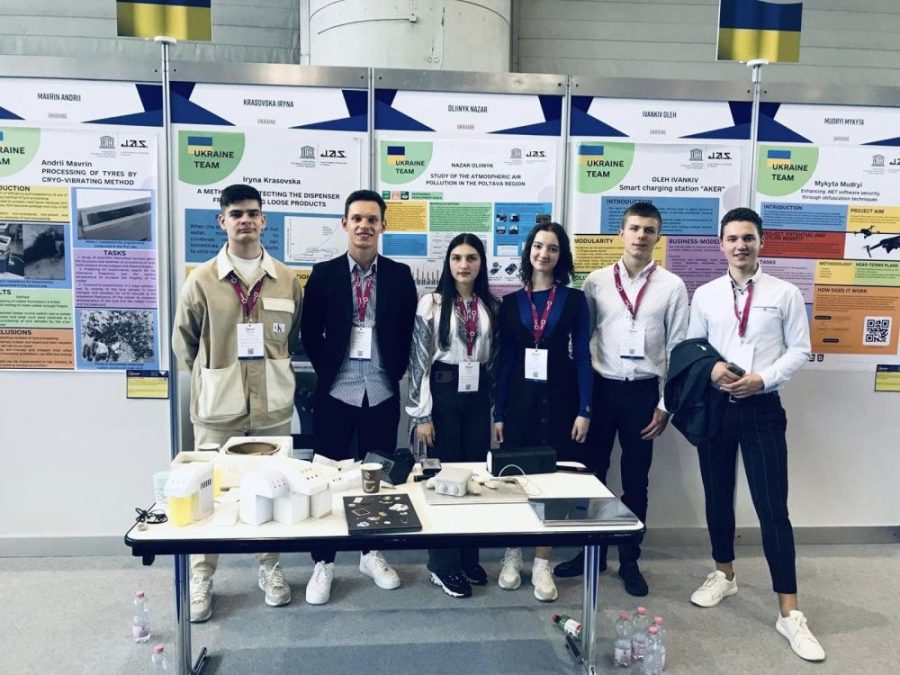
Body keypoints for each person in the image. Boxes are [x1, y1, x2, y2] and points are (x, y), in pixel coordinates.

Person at [685, 207, 825, 662]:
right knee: (716, 496)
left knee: (772, 508)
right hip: (716, 409)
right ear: (721, 244)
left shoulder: (785, 293)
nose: (740, 245)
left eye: (748, 237)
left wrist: (762, 379)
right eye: (732, 238)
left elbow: (800, 349)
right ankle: (724, 574)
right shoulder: (705, 294)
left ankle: (790, 611)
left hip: (762, 409)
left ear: (761, 242)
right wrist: (713, 369)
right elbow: (693, 349)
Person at [172, 183, 302, 622]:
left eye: (252, 213)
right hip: (218, 409)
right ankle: (201, 576)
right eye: (236, 214)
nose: (245, 220)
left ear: (263, 220)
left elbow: (292, 338)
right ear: (222, 221)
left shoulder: (286, 279)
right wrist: (215, 376)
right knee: (206, 493)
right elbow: (184, 343)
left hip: (271, 408)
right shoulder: (202, 280)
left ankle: (270, 567)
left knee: (271, 489)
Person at [554, 202, 688, 597]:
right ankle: (590, 554)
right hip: (601, 390)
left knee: (635, 481)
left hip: (643, 394)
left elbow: (678, 347)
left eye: (649, 230)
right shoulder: (596, 281)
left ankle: (630, 559)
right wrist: (581, 400)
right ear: (621, 233)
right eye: (634, 228)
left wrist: (665, 404)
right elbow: (581, 342)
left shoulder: (672, 286)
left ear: (658, 237)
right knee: (590, 476)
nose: (640, 236)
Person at [300, 189, 417, 605]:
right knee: (326, 478)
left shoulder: (400, 275)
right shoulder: (324, 273)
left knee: (377, 478)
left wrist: (394, 372)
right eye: (357, 219)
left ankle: (370, 553)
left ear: (383, 225)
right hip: (337, 390)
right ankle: (324, 562)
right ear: (344, 224)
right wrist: (327, 371)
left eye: (372, 219)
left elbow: (407, 330)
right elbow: (309, 332)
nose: (364, 226)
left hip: (381, 390)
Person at [493, 222, 592, 602]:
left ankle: (541, 561)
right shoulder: (510, 303)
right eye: (538, 246)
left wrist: (585, 408)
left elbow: (581, 355)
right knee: (514, 479)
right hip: (519, 400)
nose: (544, 254)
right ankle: (512, 554)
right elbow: (504, 362)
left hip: (561, 398)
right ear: (528, 251)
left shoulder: (574, 300)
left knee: (551, 482)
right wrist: (498, 412)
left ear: (560, 255)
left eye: (552, 248)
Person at [407, 233, 498, 598]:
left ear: (481, 264)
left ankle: (467, 556)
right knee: (442, 481)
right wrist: (421, 415)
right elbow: (418, 361)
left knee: (474, 479)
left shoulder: (489, 305)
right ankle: (442, 563)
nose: (464, 265)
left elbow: (493, 359)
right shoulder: (431, 303)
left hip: (477, 397)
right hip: (442, 396)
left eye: (471, 258)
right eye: (457, 258)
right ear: (448, 263)